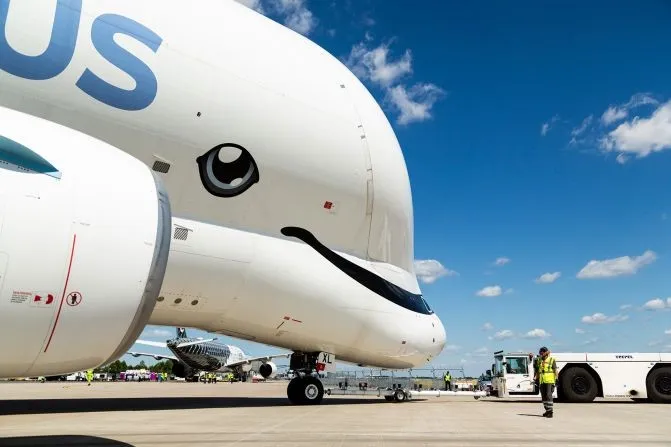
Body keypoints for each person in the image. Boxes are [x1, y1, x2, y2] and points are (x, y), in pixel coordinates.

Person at [533, 346, 557, 418]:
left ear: (546, 353)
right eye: (540, 352)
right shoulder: (539, 360)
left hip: (549, 381)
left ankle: (550, 411)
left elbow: (555, 370)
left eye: (542, 352)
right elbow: (538, 371)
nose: (541, 353)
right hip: (542, 381)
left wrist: (557, 379)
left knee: (548, 395)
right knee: (543, 396)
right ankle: (547, 410)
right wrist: (536, 379)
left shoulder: (552, 360)